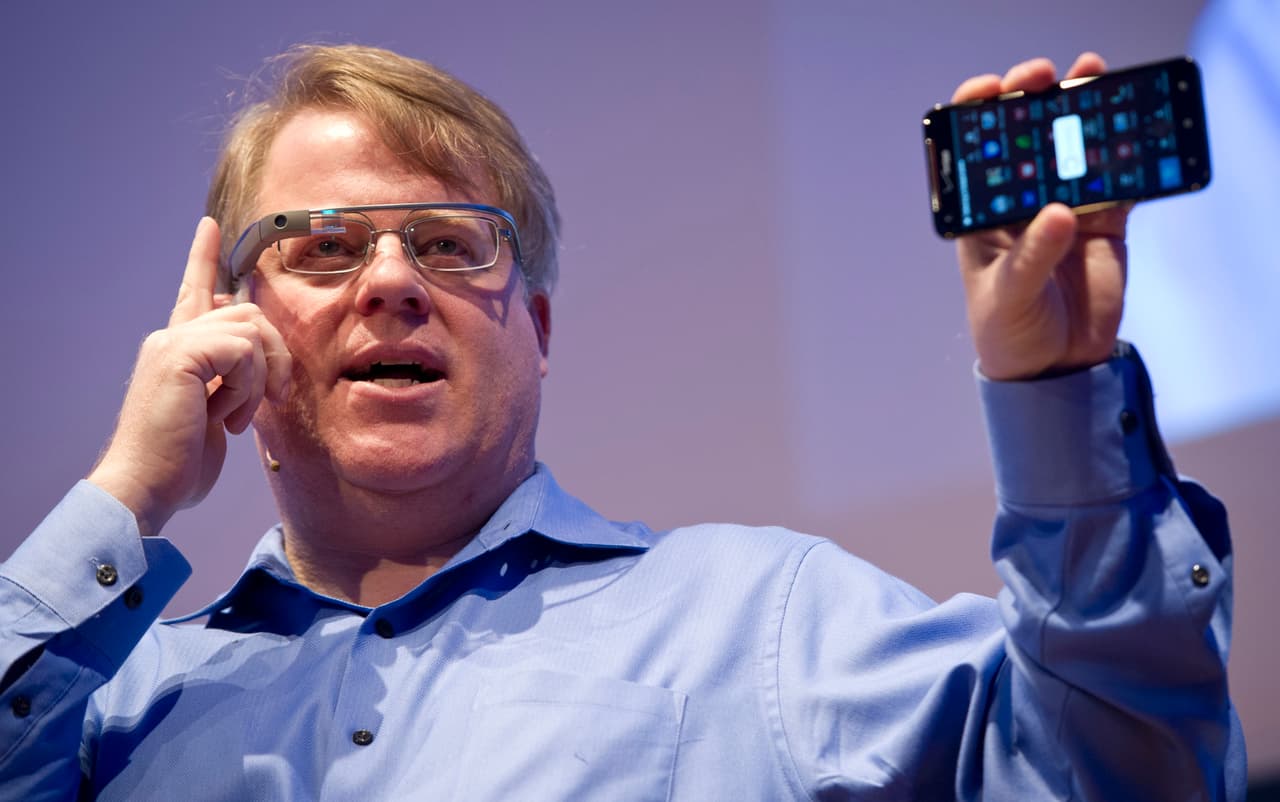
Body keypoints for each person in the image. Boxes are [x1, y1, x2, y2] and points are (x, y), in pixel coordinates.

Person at [0, 44, 1245, 800]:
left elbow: (1124, 777)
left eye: (447, 242)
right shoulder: (109, 708)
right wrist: (123, 497)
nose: (388, 280)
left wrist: (1053, 394)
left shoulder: (765, 618)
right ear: (232, 334)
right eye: (320, 248)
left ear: (535, 329)